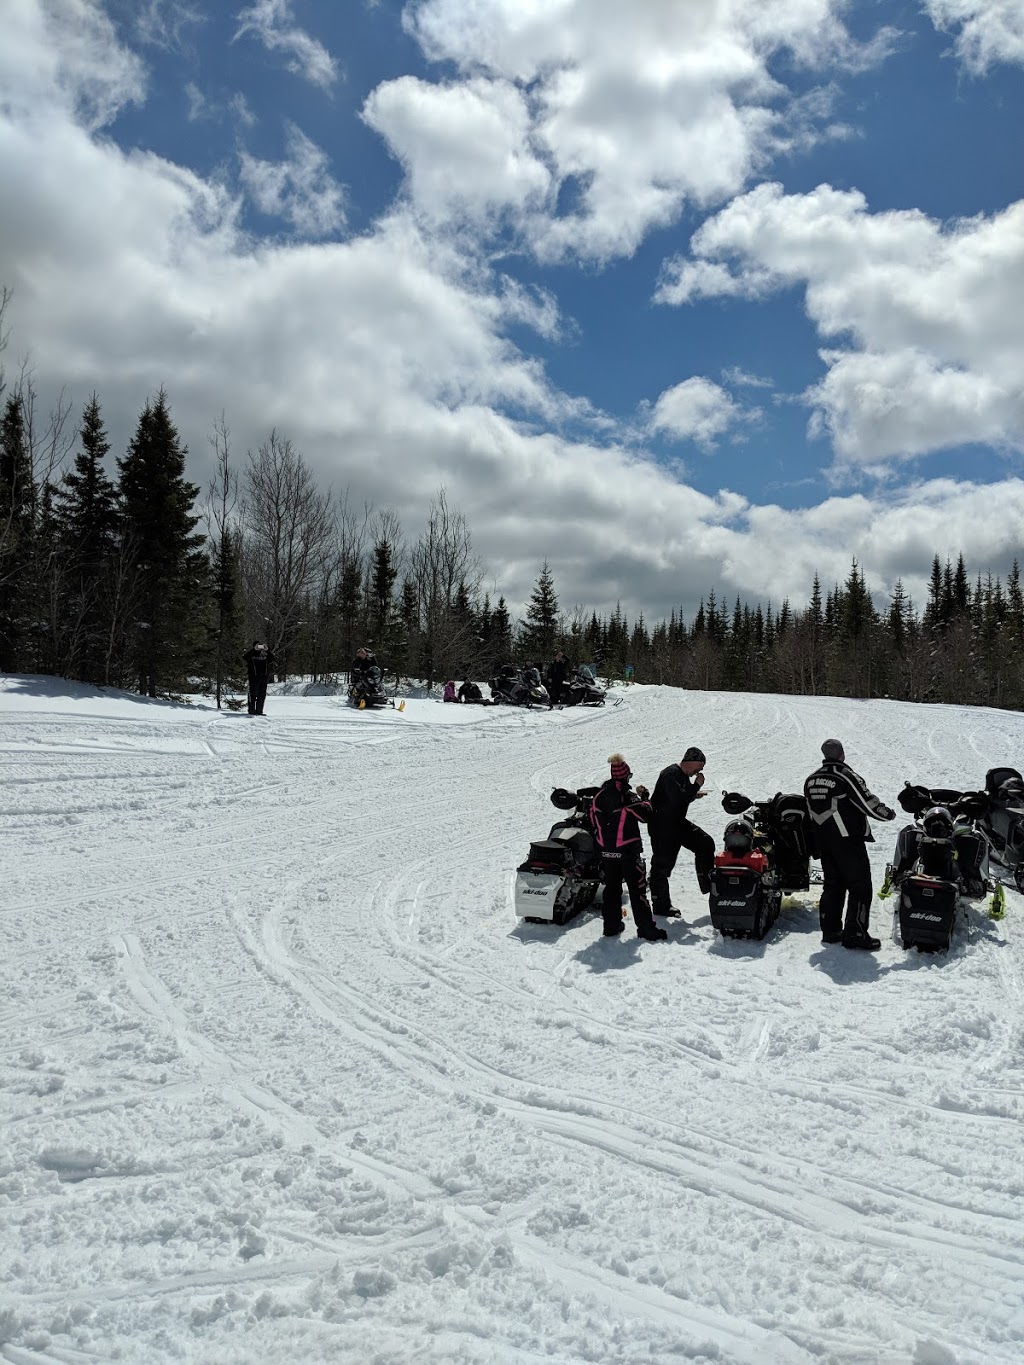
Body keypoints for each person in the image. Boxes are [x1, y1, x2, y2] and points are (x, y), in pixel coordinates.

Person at [804, 738, 895, 950]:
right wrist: (888, 814)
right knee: (860, 887)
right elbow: (868, 803)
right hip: (847, 841)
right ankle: (856, 933)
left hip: (823, 841)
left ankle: (830, 930)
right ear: (842, 754)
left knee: (832, 886)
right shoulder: (846, 776)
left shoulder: (811, 779)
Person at [588, 753, 666, 941]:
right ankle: (646, 929)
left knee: (611, 889)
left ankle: (611, 926)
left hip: (606, 852)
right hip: (627, 851)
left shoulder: (598, 796)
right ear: (625, 776)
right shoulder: (627, 797)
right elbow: (647, 813)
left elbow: (591, 820)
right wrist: (645, 796)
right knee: (637, 890)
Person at [649, 747, 716, 917]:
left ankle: (708, 885)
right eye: (700, 766)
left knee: (705, 843)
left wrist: (695, 792)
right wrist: (696, 786)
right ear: (691, 762)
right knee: (662, 865)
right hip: (662, 825)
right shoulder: (670, 773)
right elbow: (679, 799)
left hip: (676, 823)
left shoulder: (682, 776)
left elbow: (683, 795)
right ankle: (660, 905)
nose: (700, 771)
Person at [242, 640, 276, 716]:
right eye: (258, 646)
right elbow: (245, 657)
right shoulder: (251, 654)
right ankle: (252, 710)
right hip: (254, 677)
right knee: (253, 694)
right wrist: (254, 649)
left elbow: (273, 658)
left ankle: (259, 710)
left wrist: (267, 650)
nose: (259, 648)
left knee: (262, 694)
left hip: (263, 677)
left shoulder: (265, 655)